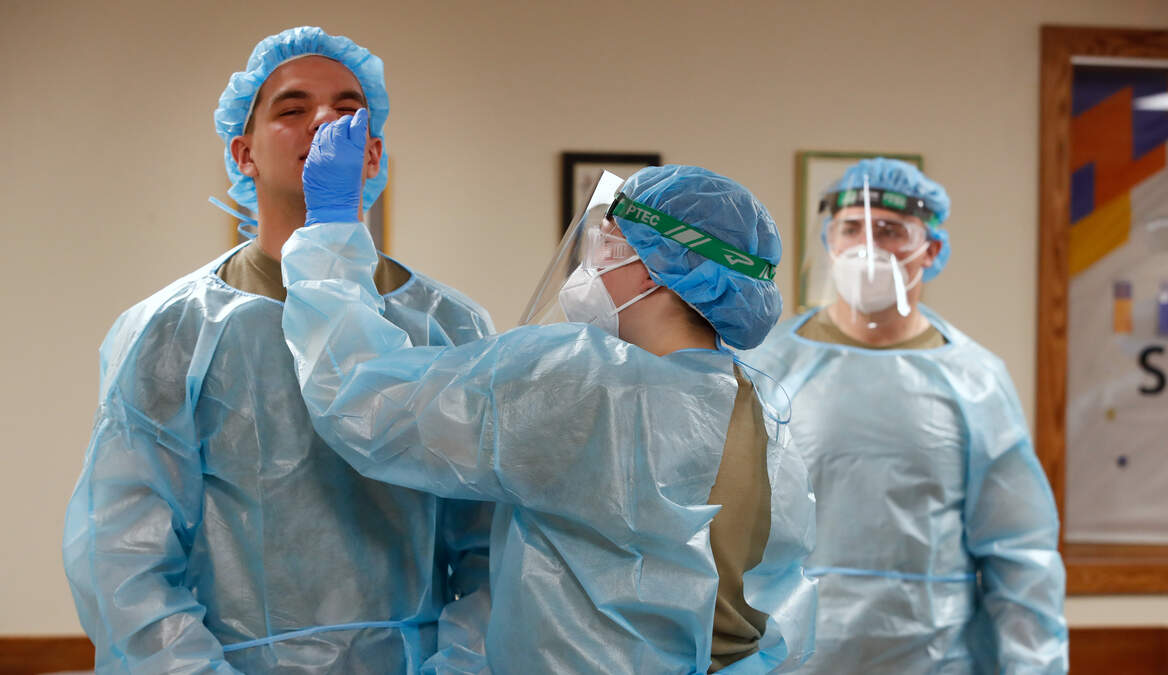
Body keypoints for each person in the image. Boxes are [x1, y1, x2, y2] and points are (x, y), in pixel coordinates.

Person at [282, 133, 817, 674]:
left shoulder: (582, 380)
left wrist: (330, 237)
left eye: (608, 245)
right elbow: (764, 608)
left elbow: (367, 403)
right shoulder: (759, 408)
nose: (592, 265)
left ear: (654, 268)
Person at [62, 26, 494, 674]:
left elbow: (493, 548)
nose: (324, 122)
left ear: (372, 153)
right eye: (293, 109)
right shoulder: (173, 330)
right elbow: (123, 553)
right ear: (244, 153)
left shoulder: (449, 326)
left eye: (348, 110)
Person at [740, 157, 1068, 673]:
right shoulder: (767, 366)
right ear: (829, 240)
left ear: (930, 249)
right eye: (851, 228)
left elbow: (1021, 554)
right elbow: (720, 528)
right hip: (785, 657)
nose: (867, 246)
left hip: (935, 659)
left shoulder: (975, 381)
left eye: (890, 231)